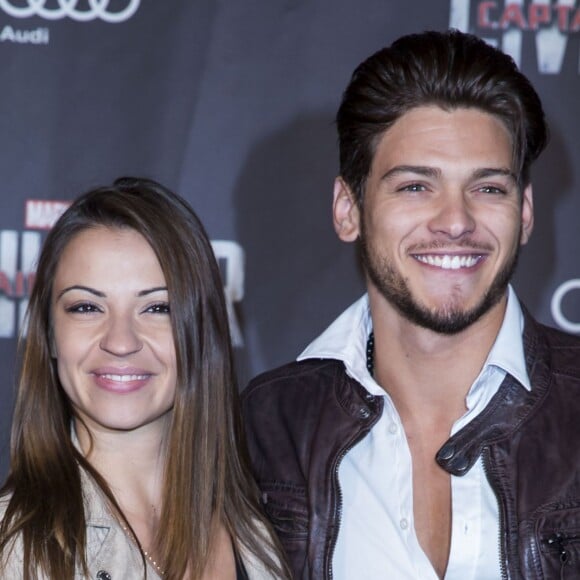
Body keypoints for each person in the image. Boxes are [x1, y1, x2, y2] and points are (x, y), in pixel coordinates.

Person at [242, 29, 580, 579]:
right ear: (348, 208)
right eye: (415, 187)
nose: (456, 220)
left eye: (489, 188)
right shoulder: (268, 426)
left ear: (525, 212)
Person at [0, 177, 290, 579]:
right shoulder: (16, 547)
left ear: (200, 331)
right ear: (49, 333)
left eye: (157, 308)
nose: (121, 342)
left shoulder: (260, 529)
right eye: (86, 307)